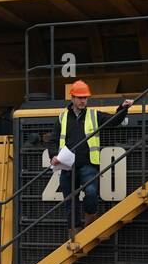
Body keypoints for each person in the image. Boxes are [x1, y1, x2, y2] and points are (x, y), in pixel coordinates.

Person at [49, 80, 134, 228]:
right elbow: (53, 140)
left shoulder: (94, 115)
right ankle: (74, 235)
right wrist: (53, 156)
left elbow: (114, 120)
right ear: (72, 98)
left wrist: (123, 108)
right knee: (70, 202)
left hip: (88, 165)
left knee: (91, 193)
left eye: (85, 98)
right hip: (67, 167)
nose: (83, 101)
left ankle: (90, 221)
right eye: (80, 98)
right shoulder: (62, 118)